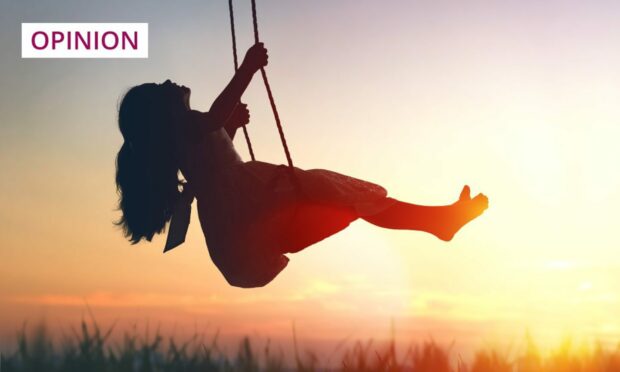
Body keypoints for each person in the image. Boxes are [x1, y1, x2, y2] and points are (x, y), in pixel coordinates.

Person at [115, 43, 489, 288]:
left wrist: (232, 125)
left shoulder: (184, 134)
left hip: (244, 211)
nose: (167, 81)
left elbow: (212, 144)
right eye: (159, 88)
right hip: (251, 203)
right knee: (342, 198)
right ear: (161, 116)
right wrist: (247, 69)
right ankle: (437, 221)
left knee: (343, 200)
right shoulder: (188, 124)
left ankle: (437, 221)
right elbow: (214, 118)